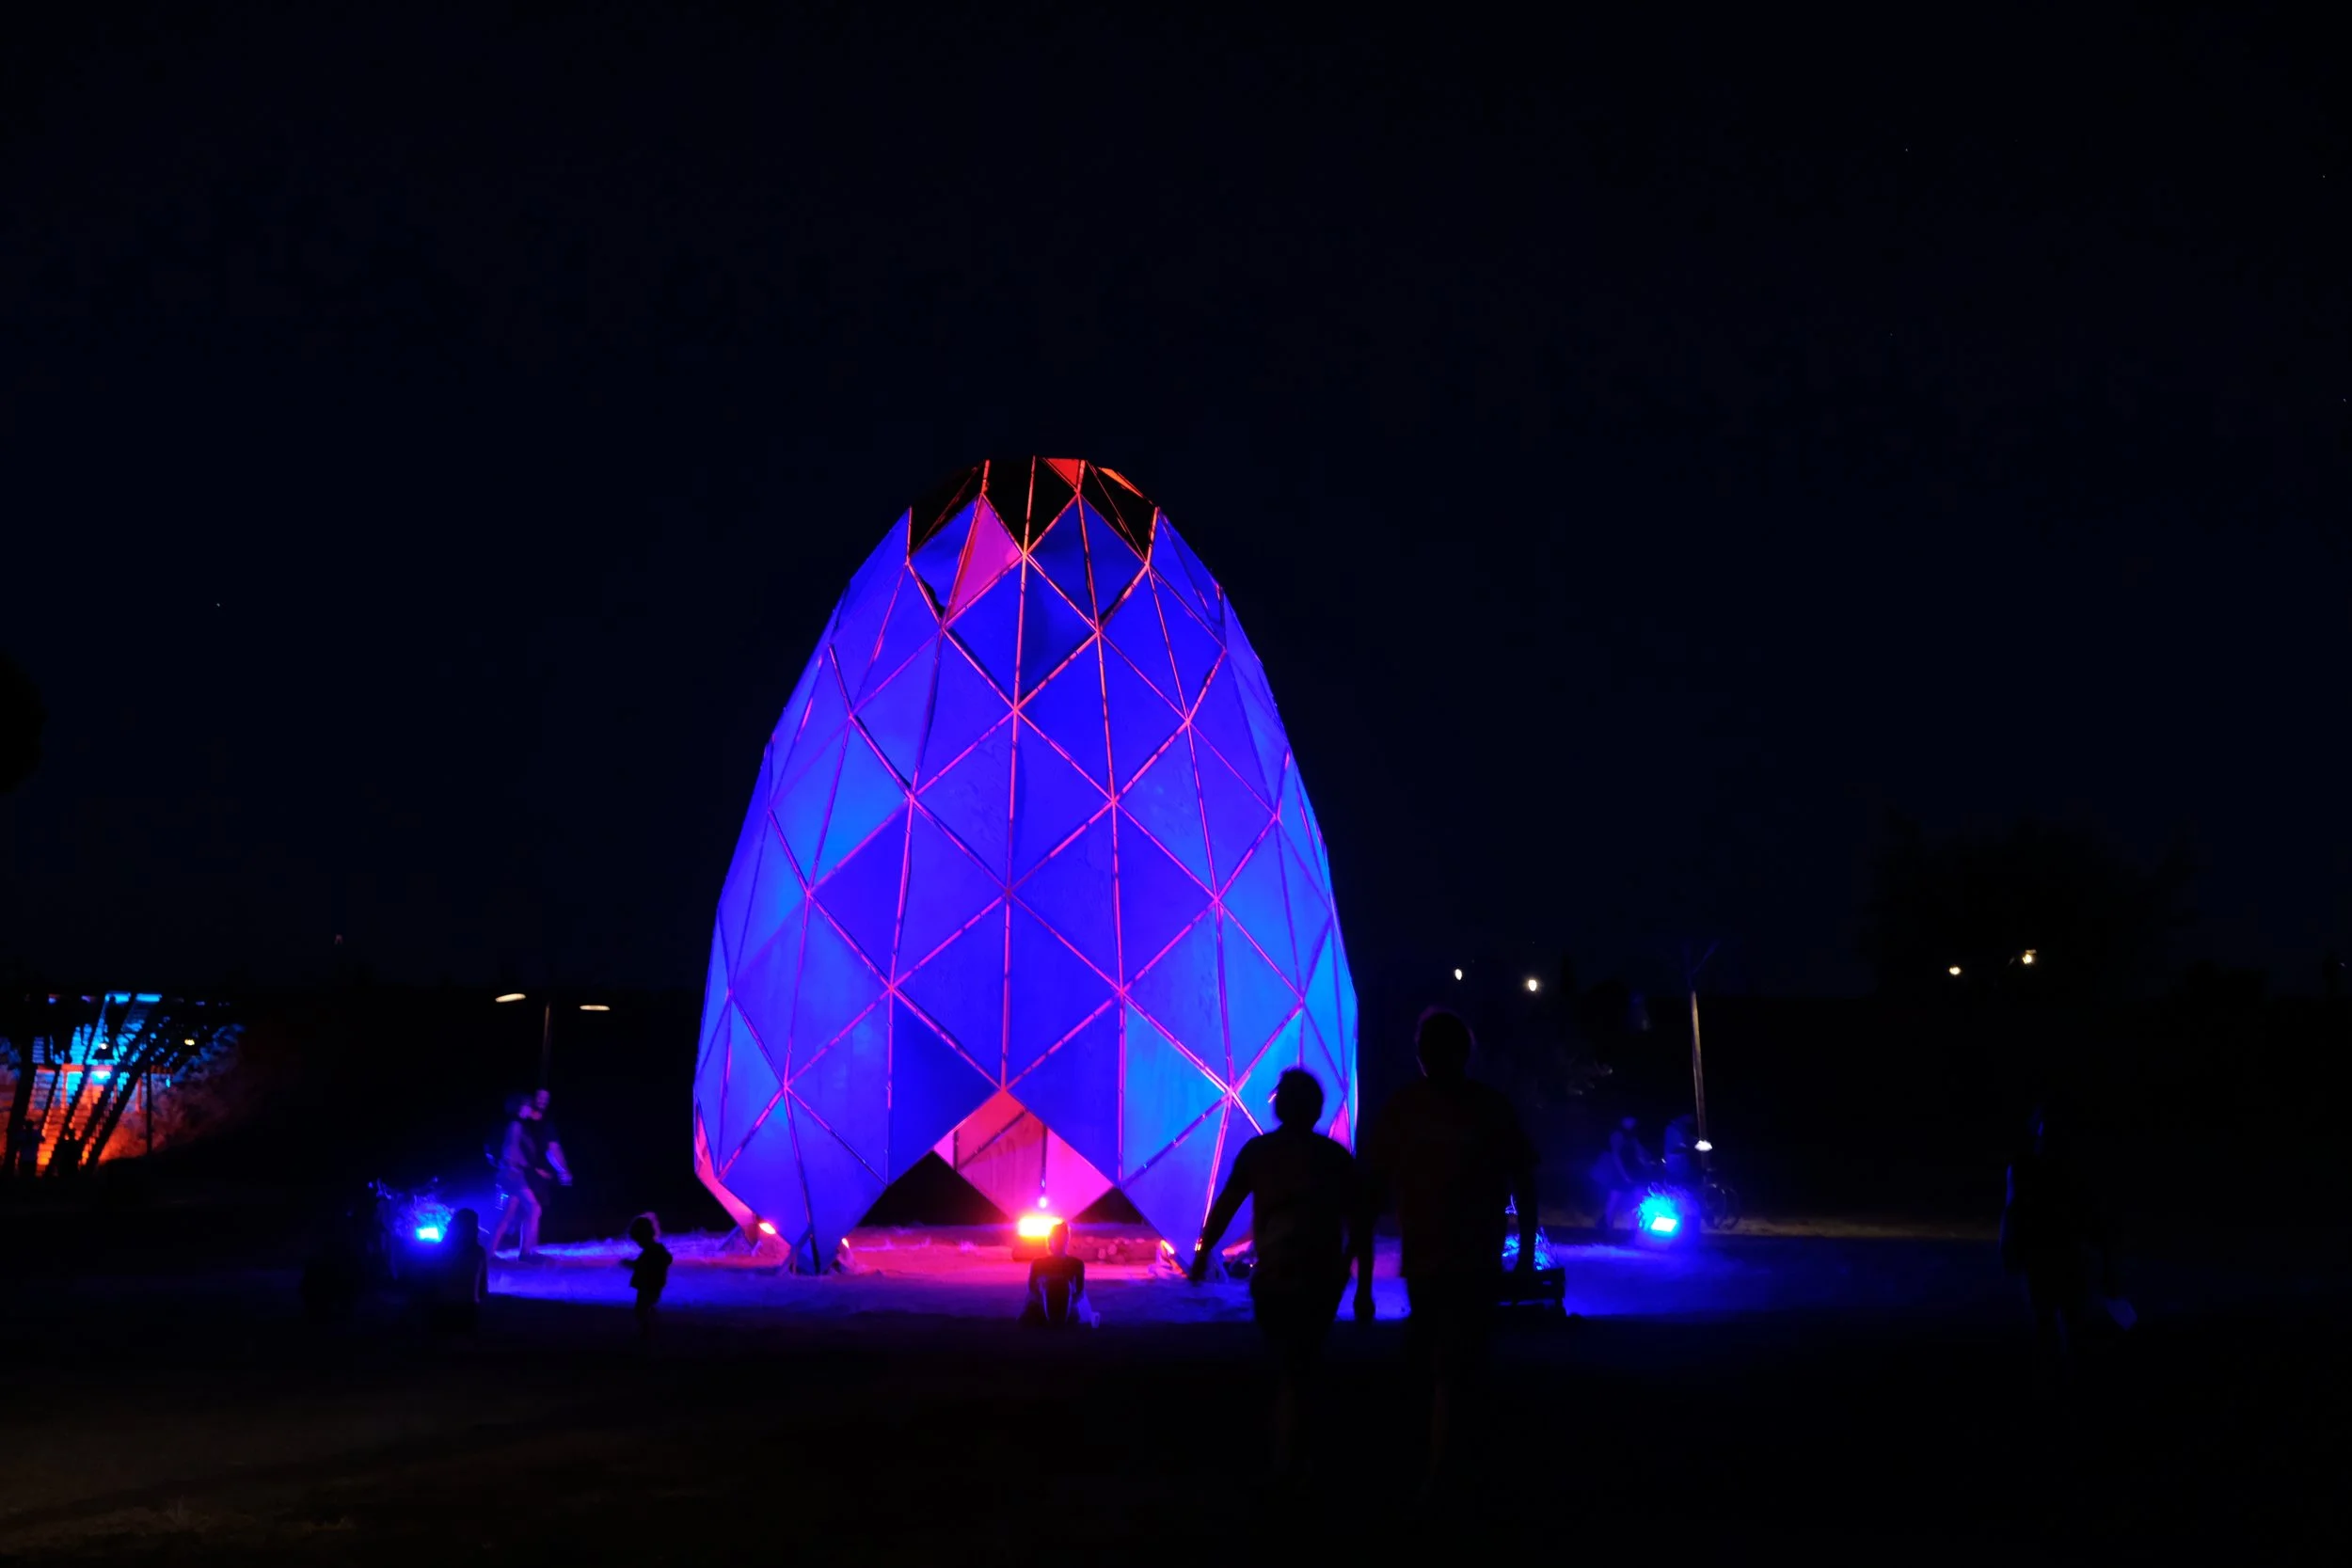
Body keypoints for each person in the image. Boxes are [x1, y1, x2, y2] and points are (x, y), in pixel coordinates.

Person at [1359, 1007, 1539, 1500]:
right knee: (1463, 1362)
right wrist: (1523, 1255)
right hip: (1474, 1259)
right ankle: (1455, 1466)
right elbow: (1524, 1184)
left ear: (1421, 1055)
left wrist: (1363, 1282)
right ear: (1467, 1054)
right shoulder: (1491, 1108)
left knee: (1433, 1362)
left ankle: (1435, 1468)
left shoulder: (1403, 1109)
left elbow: (1371, 1195)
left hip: (1428, 1259)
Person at [1192, 1068, 1363, 1481]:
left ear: (1280, 1106)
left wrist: (1202, 1252)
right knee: (1303, 1364)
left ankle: (1286, 1458)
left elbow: (1227, 1204)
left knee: (1290, 1365)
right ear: (1318, 1107)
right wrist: (1361, 1281)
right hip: (1321, 1279)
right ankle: (1298, 1455)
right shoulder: (1334, 1157)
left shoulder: (1260, 1153)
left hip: (1278, 1279)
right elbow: (1360, 1223)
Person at [2001, 1102, 2118, 1389]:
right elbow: (2095, 1218)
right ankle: (2063, 1385)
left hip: (2055, 1254)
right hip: (2056, 1254)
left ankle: (2057, 1385)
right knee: (2061, 1325)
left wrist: (2008, 1246)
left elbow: (2014, 1210)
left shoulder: (2032, 1168)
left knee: (2058, 1325)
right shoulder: (2043, 1168)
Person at [485, 1090, 570, 1259]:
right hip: (514, 1176)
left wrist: (527, 1168)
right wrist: (511, 1166)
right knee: (533, 1209)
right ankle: (525, 1253)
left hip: (513, 1174)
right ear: (519, 1107)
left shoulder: (518, 1124)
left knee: (507, 1215)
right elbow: (511, 1146)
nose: (529, 1109)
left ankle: (490, 1252)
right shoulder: (516, 1124)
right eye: (526, 1106)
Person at [1019, 1219, 1096, 1327]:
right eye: (1058, 1238)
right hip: (1047, 1305)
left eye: (1062, 1238)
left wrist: (1067, 1305)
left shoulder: (1075, 1264)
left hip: (1062, 1306)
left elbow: (1079, 1292)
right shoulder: (1075, 1264)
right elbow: (1079, 1292)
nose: (1060, 1242)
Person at [1589, 1115, 1653, 1238]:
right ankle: (1608, 1227)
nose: (1633, 1122)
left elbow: (1638, 1152)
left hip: (1629, 1171)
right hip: (1619, 1172)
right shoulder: (1618, 1134)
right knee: (1615, 1199)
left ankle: (1631, 1228)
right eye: (1629, 1119)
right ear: (1622, 1120)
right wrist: (1624, 1175)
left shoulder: (1631, 1136)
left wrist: (1645, 1163)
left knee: (1631, 1198)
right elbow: (1616, 1156)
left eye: (1634, 1120)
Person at [625, 1212, 673, 1343]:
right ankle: (649, 1329)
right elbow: (668, 1259)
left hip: (649, 1285)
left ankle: (647, 1332)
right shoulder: (655, 1249)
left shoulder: (652, 1250)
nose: (638, 1244)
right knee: (646, 1307)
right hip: (652, 1285)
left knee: (641, 1309)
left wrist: (629, 1264)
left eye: (638, 1240)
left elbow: (641, 1265)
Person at [1662, 1113, 1701, 1189]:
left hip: (1684, 1168)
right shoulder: (1672, 1129)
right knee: (1678, 1190)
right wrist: (1694, 1148)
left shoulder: (1683, 1128)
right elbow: (1673, 1149)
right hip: (1675, 1169)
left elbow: (1689, 1141)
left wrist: (1697, 1142)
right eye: (1691, 1115)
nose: (1693, 1119)